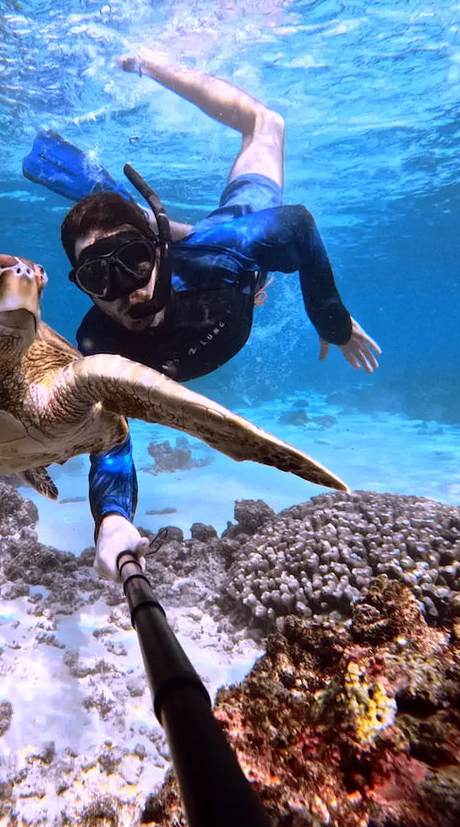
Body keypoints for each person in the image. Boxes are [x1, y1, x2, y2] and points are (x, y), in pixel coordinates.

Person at [22, 50, 380, 581]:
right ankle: (159, 231)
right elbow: (108, 438)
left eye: (135, 262)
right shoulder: (97, 344)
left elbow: (300, 226)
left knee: (267, 124)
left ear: (157, 255)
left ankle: (154, 63)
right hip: (200, 257)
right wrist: (113, 520)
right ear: (82, 288)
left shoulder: (230, 252)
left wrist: (331, 321)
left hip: (222, 239)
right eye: (99, 279)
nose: (126, 292)